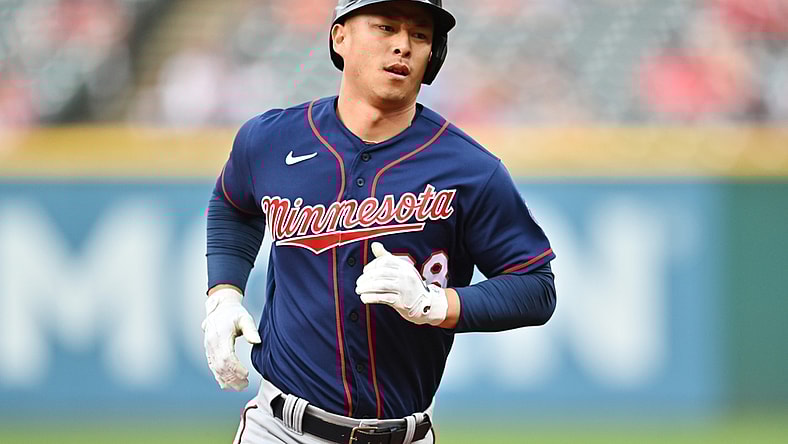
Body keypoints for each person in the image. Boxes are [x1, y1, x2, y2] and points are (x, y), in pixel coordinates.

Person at [202, 1, 557, 443]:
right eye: (385, 27)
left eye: (421, 35)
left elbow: (536, 287)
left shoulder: (470, 168)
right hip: (278, 429)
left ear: (435, 55)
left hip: (401, 433)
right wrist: (224, 295)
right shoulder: (271, 139)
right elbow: (233, 205)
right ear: (339, 37)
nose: (403, 46)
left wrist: (436, 304)